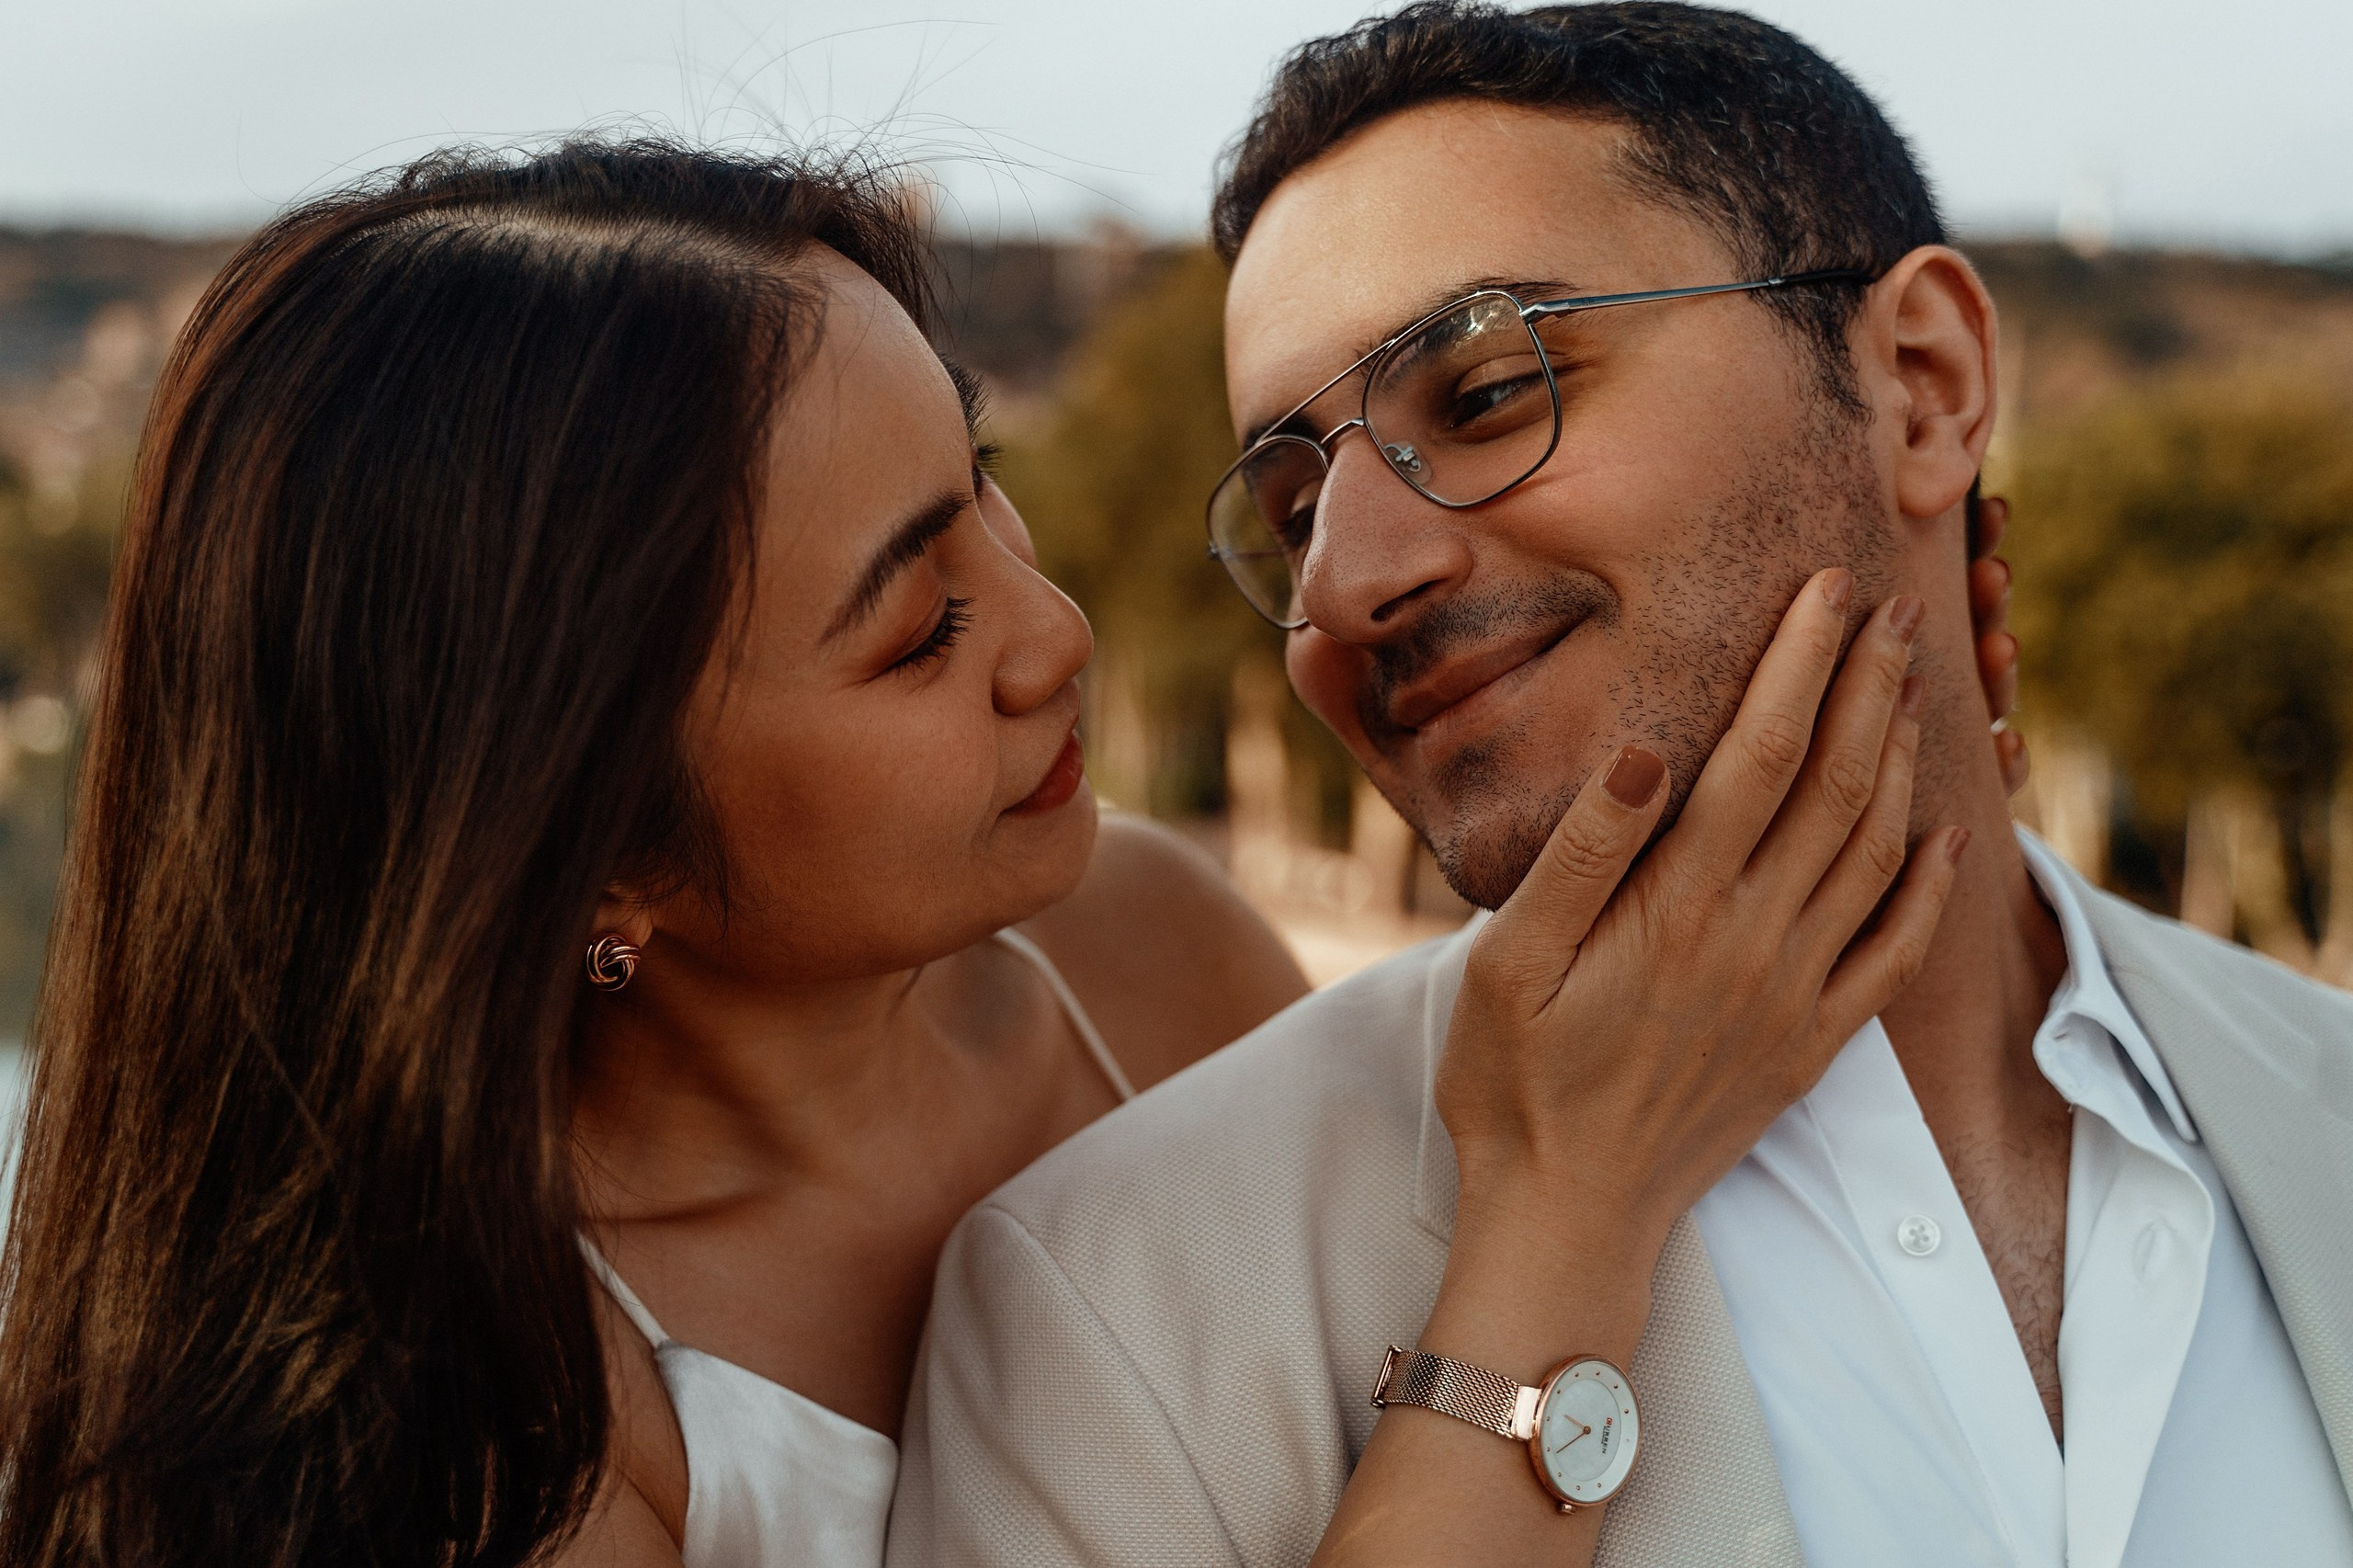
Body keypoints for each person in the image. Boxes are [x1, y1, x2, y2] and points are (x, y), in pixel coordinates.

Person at [888, 6, 2353, 1568]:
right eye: (1295, 502)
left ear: (1921, 386)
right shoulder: (1110, 1308)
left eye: (1491, 388)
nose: (1352, 577)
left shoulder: (2318, 1104)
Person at [0, 142, 1319, 1568]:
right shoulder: (492, 1442)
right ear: (603, 849)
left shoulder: (1148, 946)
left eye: (981, 480)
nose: (1054, 628)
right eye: (919, 626)